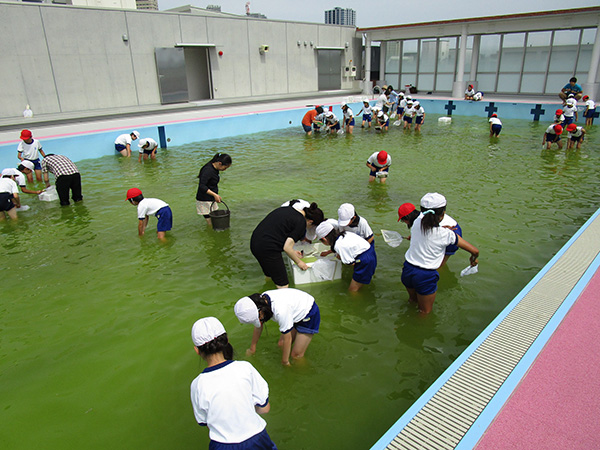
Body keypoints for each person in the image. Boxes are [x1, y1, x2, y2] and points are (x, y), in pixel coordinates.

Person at [190, 317, 277, 449]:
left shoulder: (197, 384)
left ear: (197, 350)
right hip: (257, 439)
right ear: (227, 341)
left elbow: (205, 422)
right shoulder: (245, 368)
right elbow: (265, 408)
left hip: (222, 445)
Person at [401, 193, 479, 315]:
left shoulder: (416, 224)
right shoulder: (447, 235)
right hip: (425, 275)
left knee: (412, 300)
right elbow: (475, 251)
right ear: (443, 213)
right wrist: (473, 259)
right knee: (425, 312)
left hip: (407, 269)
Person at [234, 288, 320, 365]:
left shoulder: (280, 311)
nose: (259, 320)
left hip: (308, 312)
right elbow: (258, 326)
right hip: (293, 311)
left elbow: (288, 338)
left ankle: (304, 371)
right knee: (281, 344)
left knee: (296, 356)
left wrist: (285, 362)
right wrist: (252, 348)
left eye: (258, 318)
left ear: (260, 312)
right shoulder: (261, 302)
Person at [250, 202, 324, 288]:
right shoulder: (301, 223)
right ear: (310, 222)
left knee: (270, 276)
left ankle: (266, 290)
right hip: (268, 249)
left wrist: (293, 252)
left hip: (255, 242)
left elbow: (277, 234)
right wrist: (299, 262)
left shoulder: (288, 209)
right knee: (284, 285)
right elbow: (287, 247)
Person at [315, 220, 377, 292]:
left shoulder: (339, 246)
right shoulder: (344, 234)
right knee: (360, 282)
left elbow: (351, 263)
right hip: (370, 253)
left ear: (324, 239)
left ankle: (357, 301)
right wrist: (328, 252)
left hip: (365, 261)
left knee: (352, 290)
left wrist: (341, 258)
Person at [196, 153, 232, 227]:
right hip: (204, 200)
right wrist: (215, 195)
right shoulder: (207, 170)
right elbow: (202, 186)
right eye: (225, 168)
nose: (225, 170)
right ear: (219, 163)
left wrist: (215, 196)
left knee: (215, 221)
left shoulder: (215, 169)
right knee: (211, 223)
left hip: (211, 198)